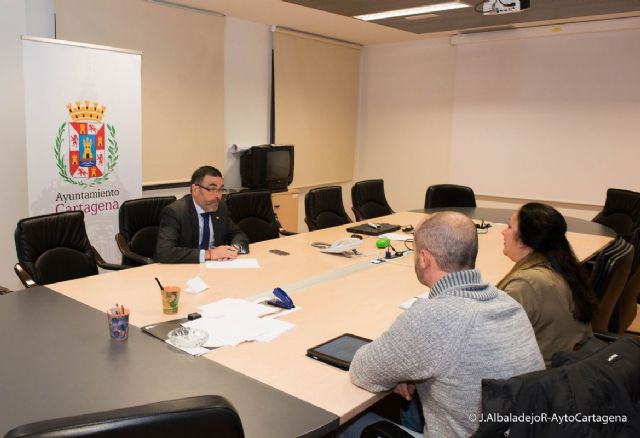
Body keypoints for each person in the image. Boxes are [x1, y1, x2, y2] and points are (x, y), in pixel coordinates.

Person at [341, 211, 544, 438]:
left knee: (346, 427)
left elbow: (362, 371)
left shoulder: (434, 317)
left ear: (424, 258)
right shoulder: (508, 302)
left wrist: (400, 373)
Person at [497, 202, 596, 365]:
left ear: (522, 240)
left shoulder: (525, 285)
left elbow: (492, 342)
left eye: (509, 227)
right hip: (575, 366)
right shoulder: (563, 266)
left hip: (543, 376)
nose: (502, 232)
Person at [155, 165, 249, 263]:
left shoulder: (221, 207)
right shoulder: (175, 212)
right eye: (212, 189)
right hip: (184, 268)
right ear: (195, 189)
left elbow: (238, 234)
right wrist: (210, 254)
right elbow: (165, 252)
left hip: (216, 265)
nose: (218, 196)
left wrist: (234, 248)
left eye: (221, 189)